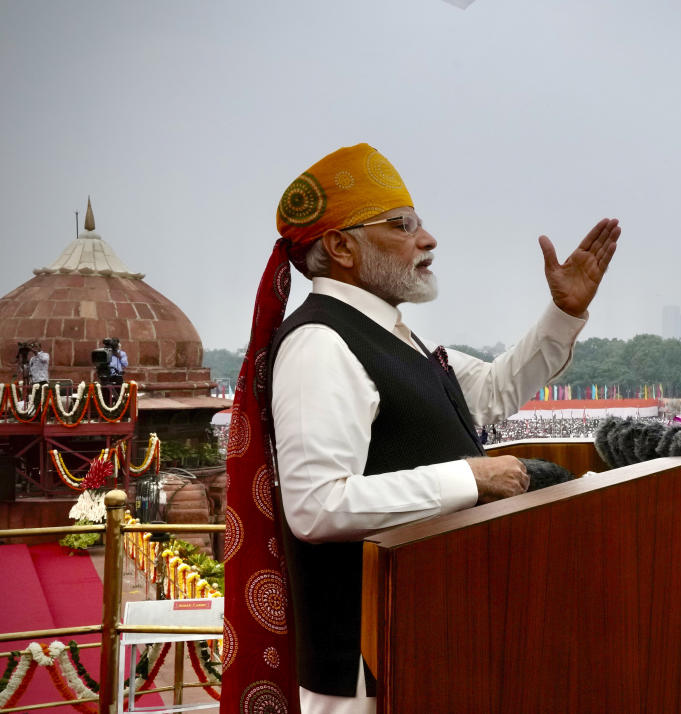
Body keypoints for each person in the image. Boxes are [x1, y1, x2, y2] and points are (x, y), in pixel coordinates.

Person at [223, 143, 620, 714]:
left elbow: (492, 392)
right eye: (402, 226)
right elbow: (316, 506)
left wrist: (564, 314)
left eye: (420, 223)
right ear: (340, 248)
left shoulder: (393, 335)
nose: (427, 239)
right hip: (365, 668)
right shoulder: (321, 343)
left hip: (424, 643)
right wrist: (470, 478)